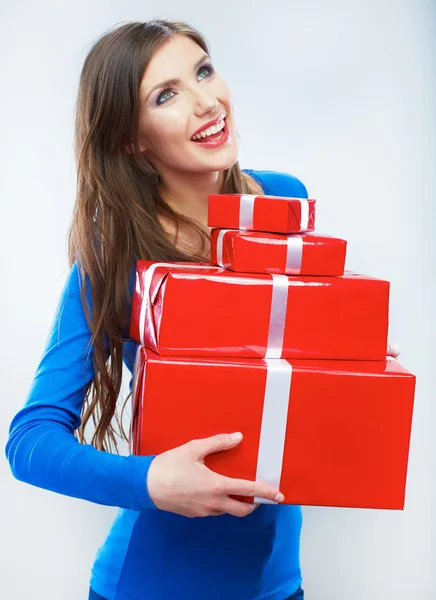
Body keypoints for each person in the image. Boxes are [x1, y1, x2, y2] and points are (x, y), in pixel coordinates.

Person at [5, 18, 400, 600]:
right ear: (131, 139)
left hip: (277, 584)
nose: (205, 103)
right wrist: (150, 479)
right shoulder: (117, 261)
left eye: (203, 71)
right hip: (150, 585)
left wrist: (349, 364)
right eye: (166, 95)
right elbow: (30, 440)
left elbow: (284, 380)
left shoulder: (283, 198)